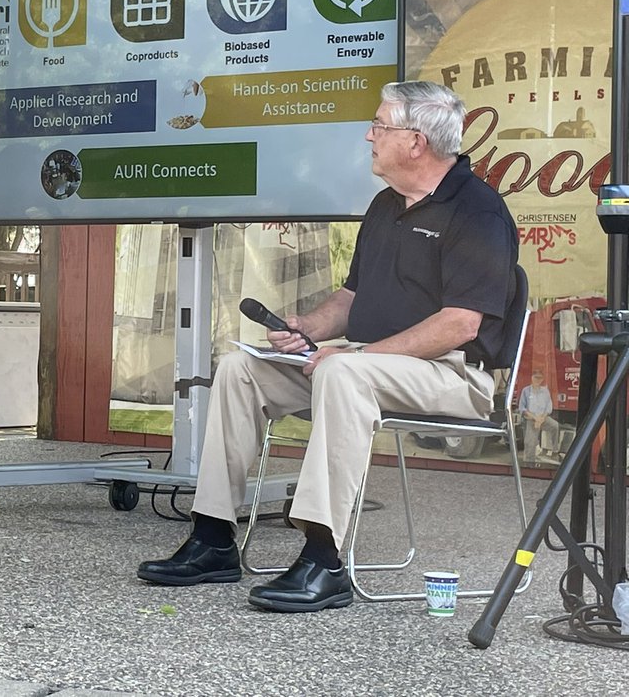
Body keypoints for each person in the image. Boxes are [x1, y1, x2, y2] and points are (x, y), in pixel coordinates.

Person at [137, 81, 519, 613]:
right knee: (239, 367)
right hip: (371, 363)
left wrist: (359, 357)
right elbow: (352, 296)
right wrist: (307, 327)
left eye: (380, 126)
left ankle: (324, 559)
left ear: (415, 142)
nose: (369, 135)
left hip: (455, 376)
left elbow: (458, 325)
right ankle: (213, 536)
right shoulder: (387, 206)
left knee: (342, 374)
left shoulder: (478, 212)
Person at [518, 369, 560, 465]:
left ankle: (555, 450)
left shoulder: (545, 391)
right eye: (536, 377)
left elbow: (549, 407)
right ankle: (529, 463)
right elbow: (522, 408)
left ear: (542, 379)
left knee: (555, 426)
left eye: (540, 378)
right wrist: (535, 418)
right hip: (531, 419)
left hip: (543, 418)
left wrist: (542, 418)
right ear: (531, 378)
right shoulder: (526, 391)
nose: (537, 379)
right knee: (530, 444)